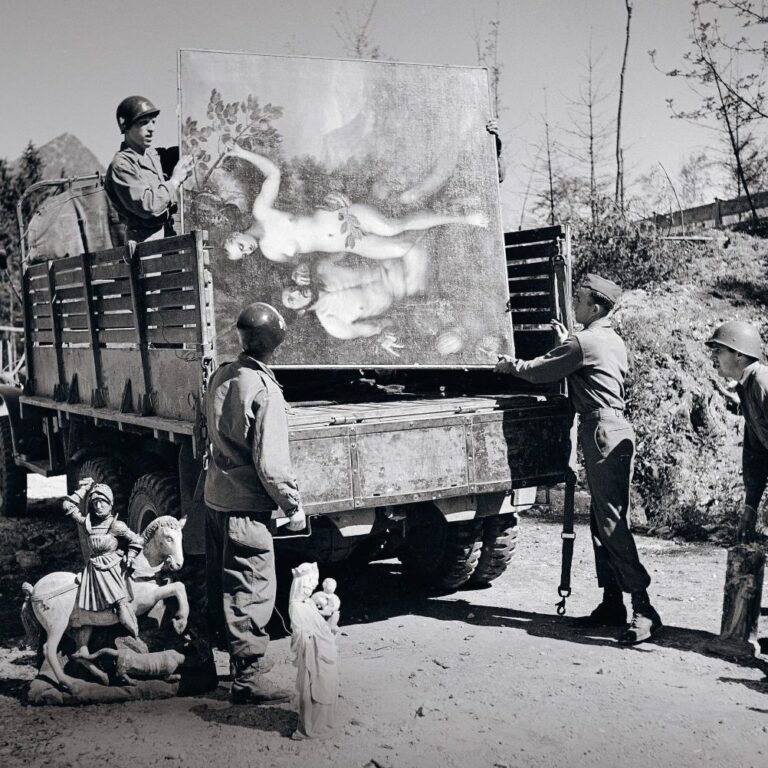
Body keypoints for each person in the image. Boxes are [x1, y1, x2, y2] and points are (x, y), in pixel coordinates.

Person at [495, 274, 662, 645]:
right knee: (603, 521)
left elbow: (543, 370)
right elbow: (580, 362)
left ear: (596, 307)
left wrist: (513, 366)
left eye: (581, 300)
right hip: (610, 428)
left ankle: (643, 607)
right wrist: (567, 343)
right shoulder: (610, 339)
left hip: (601, 429)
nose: (576, 305)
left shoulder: (584, 341)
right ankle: (612, 603)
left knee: (612, 523)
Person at [204, 301, 307, 704]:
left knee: (223, 584)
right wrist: (291, 504)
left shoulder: (224, 375)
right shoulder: (264, 390)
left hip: (217, 498)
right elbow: (271, 463)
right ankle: (247, 680)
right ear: (274, 342)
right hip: (247, 507)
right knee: (251, 586)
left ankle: (216, 665)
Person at [221, 141, 488, 265]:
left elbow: (273, 174)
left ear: (236, 234)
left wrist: (242, 153)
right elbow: (310, 262)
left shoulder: (262, 212)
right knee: (401, 249)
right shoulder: (270, 253)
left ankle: (463, 217)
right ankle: (441, 206)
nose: (246, 250)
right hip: (351, 244)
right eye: (242, 255)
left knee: (392, 227)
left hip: (344, 218)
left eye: (239, 246)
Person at [281, 252, 425, 356]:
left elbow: (349, 241)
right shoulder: (334, 324)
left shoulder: (320, 267)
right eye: (291, 300)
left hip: (394, 255)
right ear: (300, 311)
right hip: (409, 285)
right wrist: (387, 335)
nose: (296, 293)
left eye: (292, 289)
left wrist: (306, 264)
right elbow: (384, 325)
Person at [706, 320, 768, 541]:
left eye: (718, 350)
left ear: (739, 354)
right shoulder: (747, 386)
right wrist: (750, 508)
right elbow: (757, 454)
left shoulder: (762, 382)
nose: (713, 357)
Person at [105, 95, 195, 242]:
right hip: (145, 244)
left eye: (153, 122)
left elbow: (188, 155)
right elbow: (149, 205)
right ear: (126, 127)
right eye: (144, 123)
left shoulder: (154, 155)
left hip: (169, 236)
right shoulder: (121, 165)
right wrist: (174, 181)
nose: (151, 128)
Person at [63, 478, 144, 637]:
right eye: (95, 503)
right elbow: (67, 505)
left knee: (121, 604)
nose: (99, 506)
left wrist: (131, 555)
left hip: (112, 567)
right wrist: (85, 489)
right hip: (94, 569)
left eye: (103, 502)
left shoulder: (116, 525)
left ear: (110, 503)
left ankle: (135, 636)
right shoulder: (88, 524)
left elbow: (137, 539)